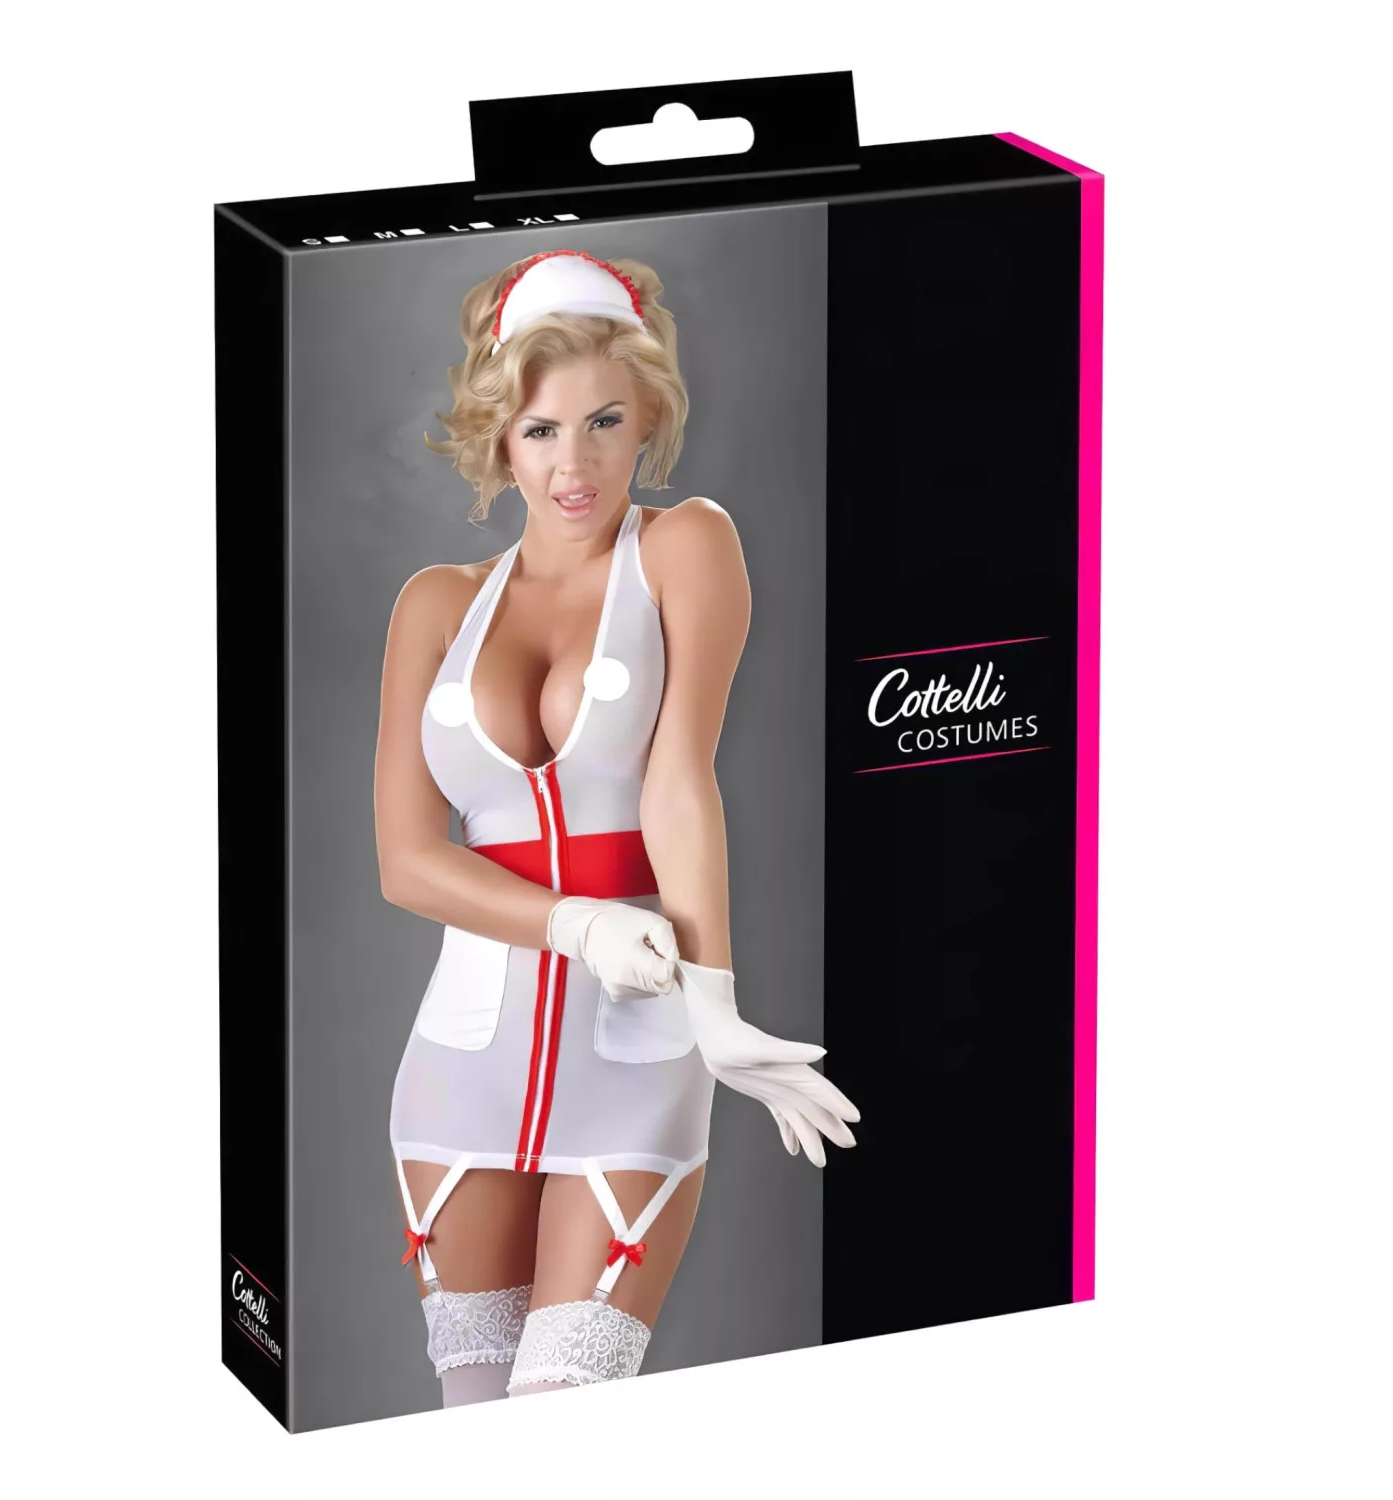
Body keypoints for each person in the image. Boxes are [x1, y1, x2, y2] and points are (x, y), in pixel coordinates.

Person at [374, 248, 859, 1406]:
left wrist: (716, 1003)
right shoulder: (435, 605)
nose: (573, 463)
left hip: (636, 1051)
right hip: (458, 1066)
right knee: (471, 1425)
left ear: (648, 416)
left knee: (563, 1416)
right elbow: (407, 861)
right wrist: (580, 925)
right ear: (500, 438)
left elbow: (678, 782)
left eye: (603, 422)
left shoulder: (685, 546)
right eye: (540, 430)